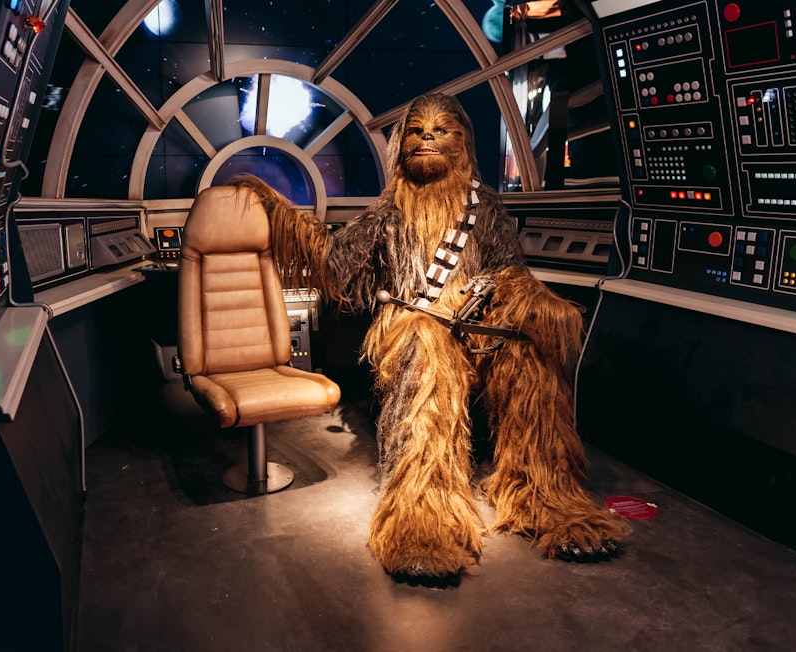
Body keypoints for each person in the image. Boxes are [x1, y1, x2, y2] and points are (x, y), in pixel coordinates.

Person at [231, 92, 630, 583]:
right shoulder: (390, 211)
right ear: (402, 146)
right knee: (428, 364)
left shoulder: (484, 207)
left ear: (462, 145)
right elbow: (335, 262)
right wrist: (281, 213)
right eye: (418, 130)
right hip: (412, 323)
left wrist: (533, 303)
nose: (427, 137)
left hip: (477, 320)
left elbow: (510, 271)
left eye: (441, 130)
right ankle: (421, 521)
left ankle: (547, 498)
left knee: (532, 362)